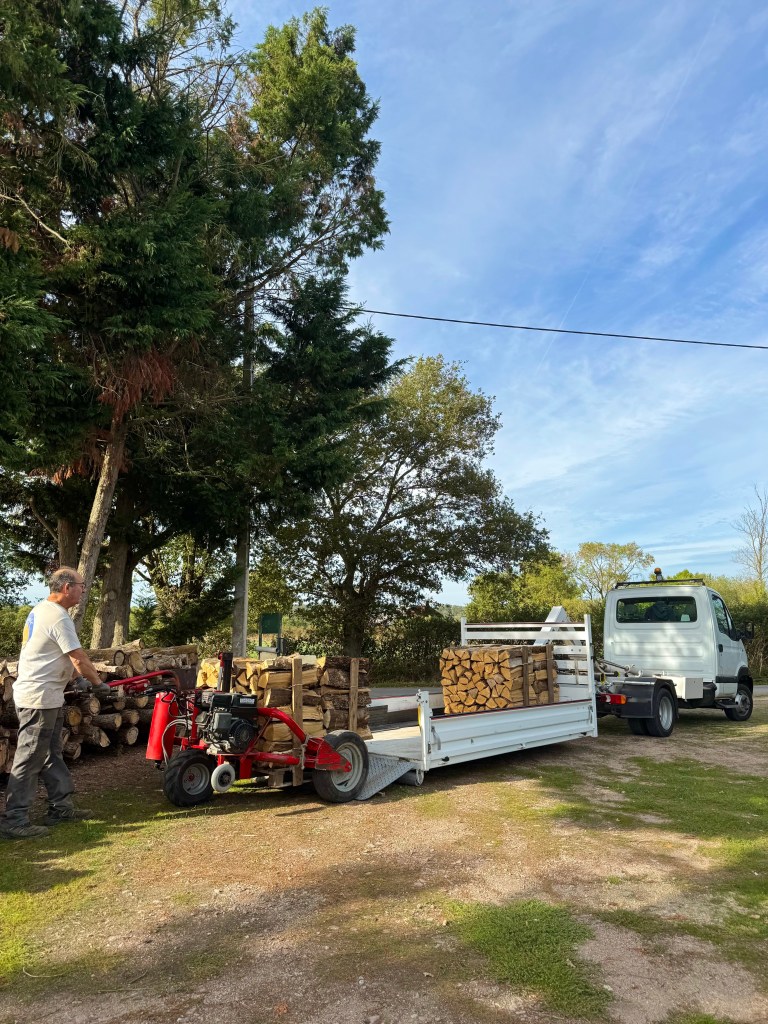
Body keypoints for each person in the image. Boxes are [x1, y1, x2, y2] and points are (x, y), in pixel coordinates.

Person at [0, 567, 102, 840]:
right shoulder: (58, 617)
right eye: (81, 585)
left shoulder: (42, 610)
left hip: (46, 696)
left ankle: (61, 808)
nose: (84, 590)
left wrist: (74, 680)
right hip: (39, 699)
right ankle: (14, 821)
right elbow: (78, 657)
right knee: (29, 759)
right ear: (67, 588)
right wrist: (98, 684)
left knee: (50, 754)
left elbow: (56, 656)